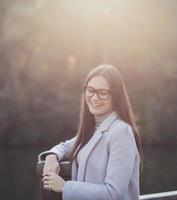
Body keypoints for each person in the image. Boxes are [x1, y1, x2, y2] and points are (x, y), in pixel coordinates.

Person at [38, 64, 142, 200]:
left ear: (116, 96)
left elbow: (114, 193)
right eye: (90, 90)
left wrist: (65, 187)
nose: (94, 97)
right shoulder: (93, 129)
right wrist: (52, 157)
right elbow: (66, 146)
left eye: (103, 93)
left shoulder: (121, 132)